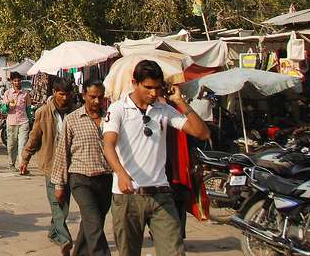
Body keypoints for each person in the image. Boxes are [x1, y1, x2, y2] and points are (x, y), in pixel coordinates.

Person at [102, 59, 210, 256]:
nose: (153, 93)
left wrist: (179, 101)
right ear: (135, 83)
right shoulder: (117, 109)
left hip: (161, 194)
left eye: (157, 88)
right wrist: (121, 173)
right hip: (128, 197)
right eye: (148, 87)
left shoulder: (164, 110)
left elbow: (201, 133)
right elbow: (108, 144)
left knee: (174, 251)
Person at [52, 80, 113, 256]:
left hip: (105, 178)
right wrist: (59, 184)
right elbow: (62, 152)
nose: (96, 101)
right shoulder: (72, 120)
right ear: (84, 95)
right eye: (92, 97)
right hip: (81, 179)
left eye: (100, 97)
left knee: (94, 222)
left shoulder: (110, 119)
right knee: (93, 222)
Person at [20, 78, 77, 256]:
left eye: (68, 94)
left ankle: (54, 231)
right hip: (51, 164)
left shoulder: (77, 112)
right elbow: (34, 137)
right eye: (62, 94)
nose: (65, 98)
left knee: (64, 203)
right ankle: (64, 239)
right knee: (56, 202)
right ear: (54, 93)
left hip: (72, 165)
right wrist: (25, 158)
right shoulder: (43, 112)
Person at [2, 70, 31, 171]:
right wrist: (8, 105)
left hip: (24, 122)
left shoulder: (25, 94)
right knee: (11, 145)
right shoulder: (7, 93)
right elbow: (3, 109)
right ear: (12, 82)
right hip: (11, 122)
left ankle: (22, 166)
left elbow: (28, 109)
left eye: (19, 81)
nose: (17, 83)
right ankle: (11, 163)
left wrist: (30, 121)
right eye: (15, 81)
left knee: (22, 145)